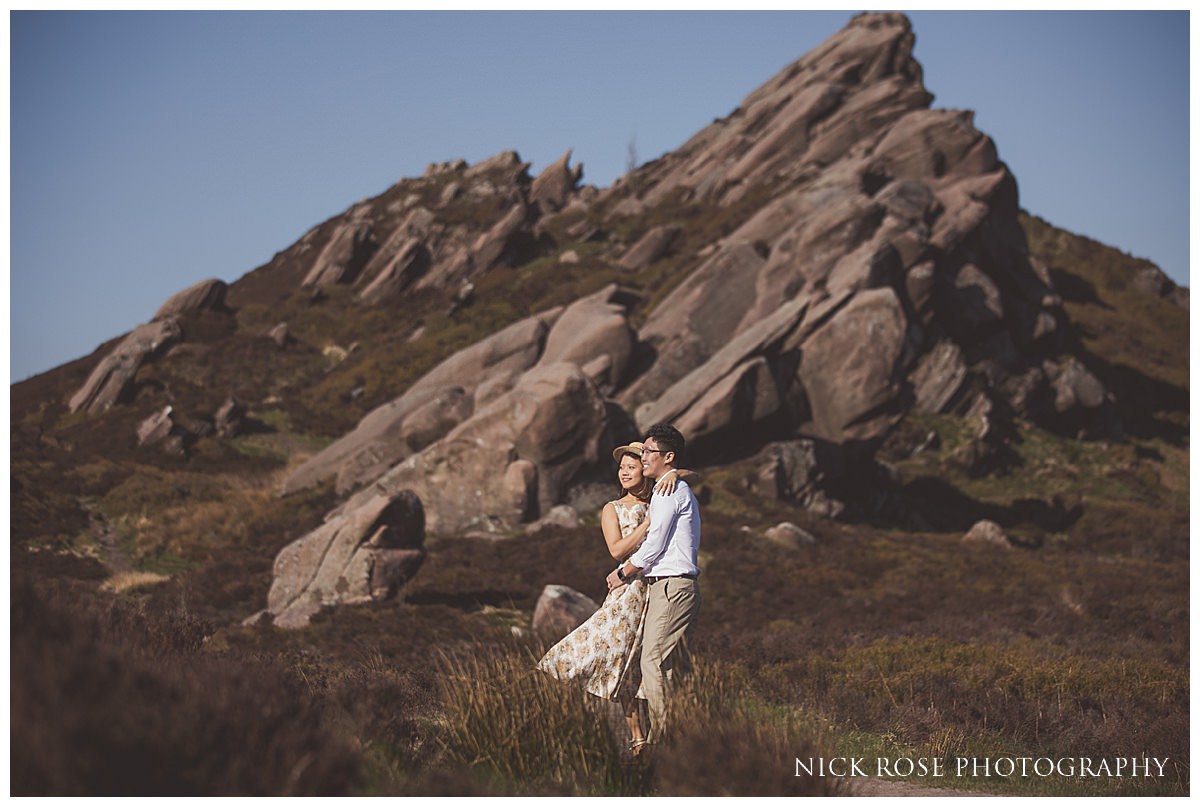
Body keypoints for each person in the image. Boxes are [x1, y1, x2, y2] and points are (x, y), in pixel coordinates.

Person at [536, 441, 690, 757]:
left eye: (632, 467)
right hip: (629, 592)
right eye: (621, 468)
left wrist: (678, 473)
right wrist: (647, 525)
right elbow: (617, 551)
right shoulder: (612, 509)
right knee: (618, 658)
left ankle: (653, 738)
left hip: (658, 592)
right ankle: (636, 737)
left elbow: (688, 475)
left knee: (649, 666)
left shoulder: (664, 494)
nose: (625, 472)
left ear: (646, 469)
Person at [605, 423, 701, 746]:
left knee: (653, 662)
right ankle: (680, 735)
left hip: (671, 586)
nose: (643, 457)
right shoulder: (668, 486)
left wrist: (623, 572)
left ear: (668, 457)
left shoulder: (666, 490)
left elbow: (655, 542)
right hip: (666, 587)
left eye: (647, 453)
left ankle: (665, 739)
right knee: (669, 667)